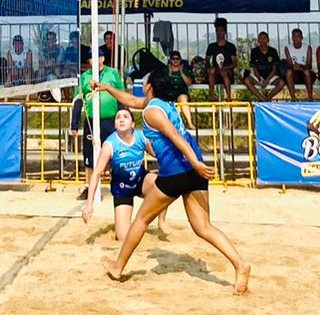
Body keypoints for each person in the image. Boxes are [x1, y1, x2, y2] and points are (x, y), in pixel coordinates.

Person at [95, 74, 250, 295]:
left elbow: (176, 137)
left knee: (141, 219)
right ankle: (240, 264)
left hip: (177, 171)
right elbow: (130, 100)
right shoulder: (163, 105)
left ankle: (118, 267)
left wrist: (195, 164)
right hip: (193, 169)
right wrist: (106, 88)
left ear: (148, 87)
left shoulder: (151, 112)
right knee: (203, 227)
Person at [81, 107, 169, 240]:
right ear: (115, 125)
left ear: (132, 124)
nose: (121, 119)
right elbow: (96, 173)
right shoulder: (110, 144)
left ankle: (161, 221)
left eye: (125, 117)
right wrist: (89, 204)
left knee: (164, 184)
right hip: (122, 190)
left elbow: (160, 156)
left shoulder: (141, 137)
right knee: (122, 237)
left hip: (141, 181)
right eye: (118, 117)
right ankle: (126, 225)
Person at [77, 46, 124, 184]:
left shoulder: (112, 73)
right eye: (92, 57)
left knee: (114, 152)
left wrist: (124, 114)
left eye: (98, 57)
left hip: (110, 120)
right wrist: (74, 123)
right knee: (89, 154)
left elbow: (121, 94)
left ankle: (116, 183)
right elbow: (79, 98)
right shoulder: (85, 76)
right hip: (91, 120)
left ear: (103, 58)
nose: (95, 60)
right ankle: (89, 185)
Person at [243, 32, 284, 102]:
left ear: (268, 40)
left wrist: (267, 80)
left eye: (264, 38)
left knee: (281, 83)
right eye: (260, 38)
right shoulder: (254, 51)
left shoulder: (273, 51)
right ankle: (261, 98)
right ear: (258, 40)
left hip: (270, 76)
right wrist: (259, 79)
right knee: (247, 80)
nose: (262, 40)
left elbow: (274, 69)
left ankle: (268, 98)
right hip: (258, 76)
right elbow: (254, 68)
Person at [204, 18, 238, 98]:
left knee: (224, 72)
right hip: (215, 72)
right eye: (217, 31)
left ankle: (229, 96)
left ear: (225, 32)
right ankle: (212, 96)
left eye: (221, 30)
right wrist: (209, 66)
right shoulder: (211, 46)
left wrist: (225, 68)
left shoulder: (231, 46)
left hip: (227, 72)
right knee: (212, 71)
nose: (219, 33)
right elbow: (207, 60)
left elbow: (234, 63)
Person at [283, 28, 316, 99]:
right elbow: (289, 64)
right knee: (288, 73)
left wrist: (300, 66)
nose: (296, 38)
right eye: (294, 36)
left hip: (306, 73)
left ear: (301, 37)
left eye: (298, 36)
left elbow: (309, 65)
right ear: (292, 38)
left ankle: (310, 98)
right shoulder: (288, 48)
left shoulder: (307, 48)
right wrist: (294, 67)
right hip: (294, 73)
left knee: (306, 72)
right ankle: (293, 98)